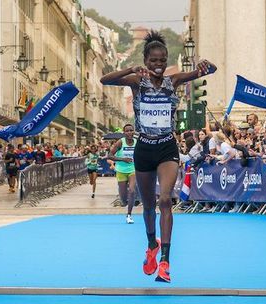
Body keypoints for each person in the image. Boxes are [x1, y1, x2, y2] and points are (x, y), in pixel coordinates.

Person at [100, 30, 216, 283]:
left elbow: (210, 70)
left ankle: (165, 260)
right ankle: (151, 244)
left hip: (166, 148)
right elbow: (104, 79)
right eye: (153, 60)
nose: (159, 65)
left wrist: (205, 66)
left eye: (162, 60)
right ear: (145, 60)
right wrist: (129, 69)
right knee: (149, 205)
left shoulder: (173, 81)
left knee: (165, 200)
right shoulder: (136, 82)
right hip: (144, 148)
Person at [109, 124, 137, 224]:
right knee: (123, 199)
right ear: (124, 133)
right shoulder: (120, 142)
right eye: (127, 131)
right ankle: (125, 202)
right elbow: (110, 156)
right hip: (121, 170)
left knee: (132, 190)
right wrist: (123, 159)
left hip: (133, 169)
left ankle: (129, 215)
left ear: (134, 131)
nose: (129, 132)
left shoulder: (137, 142)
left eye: (131, 130)